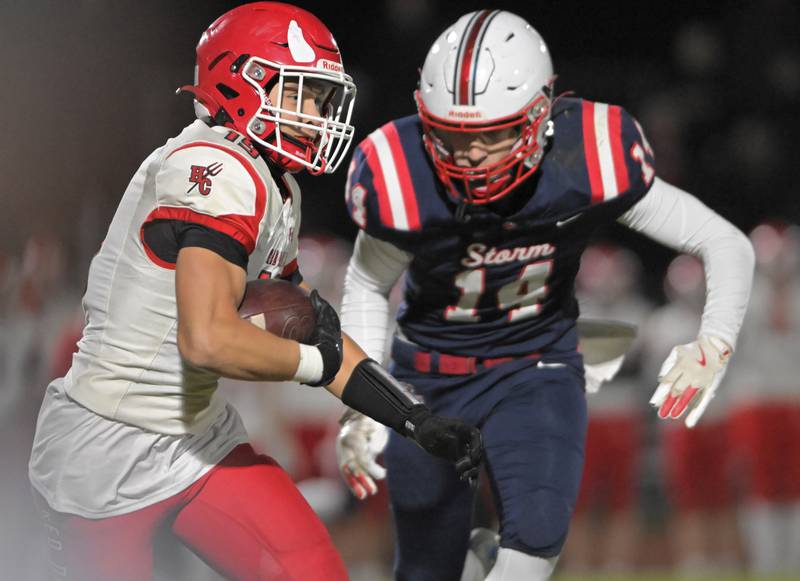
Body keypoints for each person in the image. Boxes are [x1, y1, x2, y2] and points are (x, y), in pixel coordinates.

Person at [27, 4, 482, 581]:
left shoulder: (274, 186)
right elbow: (208, 339)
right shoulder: (213, 168)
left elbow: (315, 328)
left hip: (198, 439)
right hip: (105, 450)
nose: (318, 113)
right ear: (242, 82)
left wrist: (415, 419)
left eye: (321, 96)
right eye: (304, 92)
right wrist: (312, 365)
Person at [334, 9, 755, 581]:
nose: (471, 155)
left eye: (493, 134)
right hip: (426, 378)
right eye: (453, 136)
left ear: (541, 114)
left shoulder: (588, 155)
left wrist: (714, 343)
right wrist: (366, 403)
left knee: (532, 547)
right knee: (425, 570)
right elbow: (367, 281)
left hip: (535, 366)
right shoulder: (400, 174)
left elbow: (722, 241)